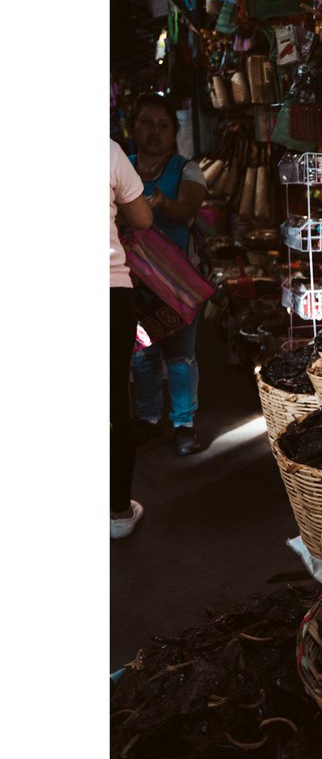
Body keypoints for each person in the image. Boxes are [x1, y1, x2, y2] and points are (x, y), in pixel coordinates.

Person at [128, 93, 208, 455]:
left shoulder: (187, 169)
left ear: (174, 131)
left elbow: (187, 210)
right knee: (142, 353)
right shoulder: (122, 168)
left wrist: (162, 204)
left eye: (163, 125)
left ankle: (183, 423)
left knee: (180, 354)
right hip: (134, 282)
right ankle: (147, 419)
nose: (154, 132)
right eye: (147, 123)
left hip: (178, 281)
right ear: (134, 128)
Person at [111, 138, 153, 538]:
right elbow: (141, 218)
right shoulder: (106, 151)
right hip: (107, 293)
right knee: (112, 404)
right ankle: (118, 513)